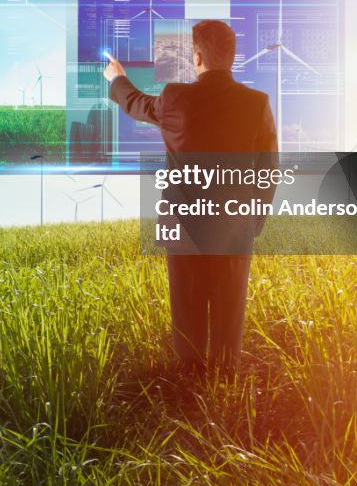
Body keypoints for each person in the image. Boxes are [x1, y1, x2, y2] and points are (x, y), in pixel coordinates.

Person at [103, 19, 278, 377]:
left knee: (188, 310)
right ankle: (225, 381)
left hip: (183, 227)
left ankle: (190, 384)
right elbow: (268, 170)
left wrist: (117, 79)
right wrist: (252, 222)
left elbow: (135, 103)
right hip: (234, 227)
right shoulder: (256, 104)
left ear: (197, 56)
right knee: (230, 310)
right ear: (232, 57)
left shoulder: (174, 99)